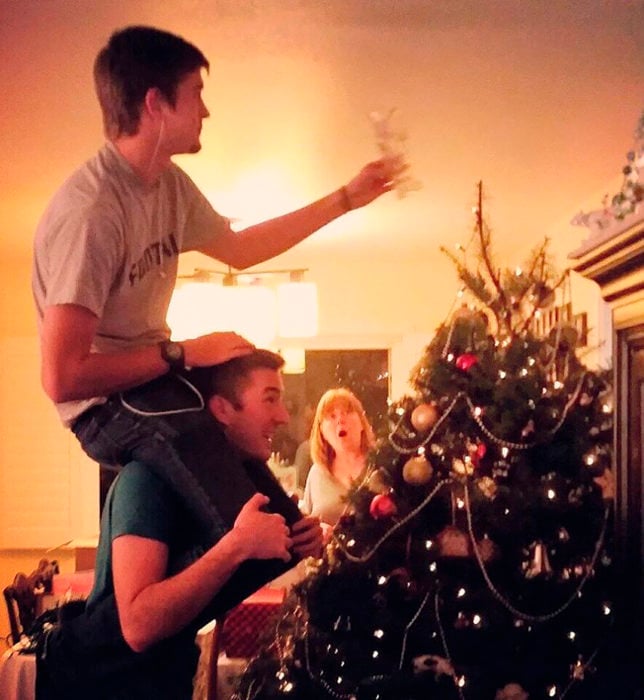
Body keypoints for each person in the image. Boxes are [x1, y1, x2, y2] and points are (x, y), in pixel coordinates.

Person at [31, 25, 398, 546]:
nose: (205, 111)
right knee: (259, 545)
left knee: (273, 491)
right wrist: (182, 353)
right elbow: (62, 379)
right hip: (102, 407)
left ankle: (288, 537)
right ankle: (96, 629)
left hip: (152, 381)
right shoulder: (92, 213)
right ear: (157, 104)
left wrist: (346, 198)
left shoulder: (170, 187)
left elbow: (241, 247)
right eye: (197, 94)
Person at [36, 349, 323, 699]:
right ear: (221, 410)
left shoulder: (218, 492)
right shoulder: (147, 480)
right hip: (101, 685)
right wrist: (236, 546)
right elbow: (138, 626)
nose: (282, 416)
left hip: (163, 679)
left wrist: (298, 541)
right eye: (270, 399)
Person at [303, 388, 375, 541]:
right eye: (332, 416)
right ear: (321, 431)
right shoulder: (317, 473)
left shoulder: (380, 465)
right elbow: (306, 526)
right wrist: (318, 531)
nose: (340, 420)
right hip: (328, 562)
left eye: (347, 412)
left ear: (362, 424)